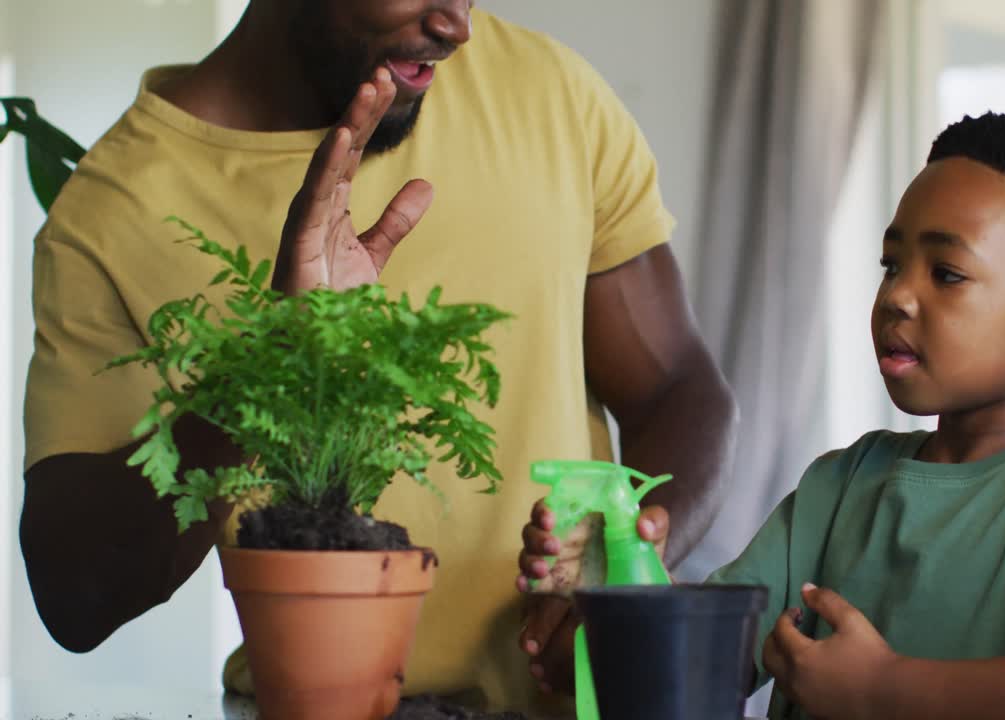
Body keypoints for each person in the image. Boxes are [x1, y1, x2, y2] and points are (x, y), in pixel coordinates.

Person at [19, 1, 736, 714]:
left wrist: (628, 567)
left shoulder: (551, 94)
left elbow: (675, 385)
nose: (455, 25)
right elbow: (75, 596)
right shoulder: (110, 215)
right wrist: (275, 357)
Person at [519, 111, 1005, 718]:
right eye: (892, 264)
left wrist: (884, 688)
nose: (897, 296)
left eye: (946, 273)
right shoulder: (841, 485)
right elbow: (670, 677)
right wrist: (615, 588)